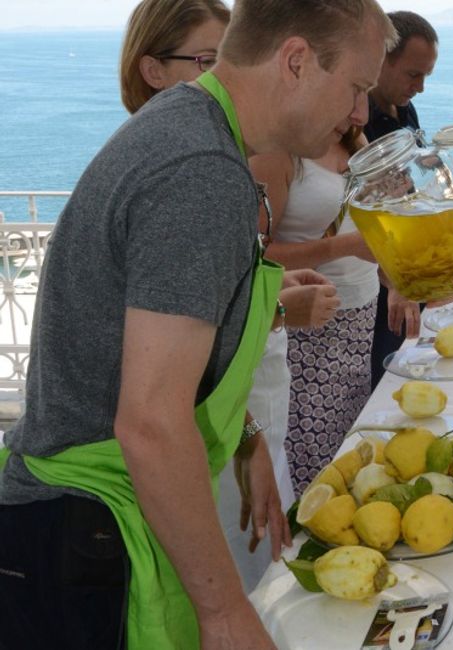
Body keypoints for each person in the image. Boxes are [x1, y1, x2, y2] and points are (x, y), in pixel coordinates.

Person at [0, 2, 395, 648]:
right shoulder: (201, 171)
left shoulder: (197, 136)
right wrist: (224, 611)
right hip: (85, 538)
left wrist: (244, 438)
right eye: (356, 87)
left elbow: (165, 351)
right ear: (295, 60)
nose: (358, 115)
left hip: (88, 525)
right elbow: (151, 422)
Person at [117, 0, 343, 589]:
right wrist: (277, 308)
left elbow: (206, 309)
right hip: (183, 447)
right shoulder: (190, 171)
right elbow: (155, 379)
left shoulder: (207, 160)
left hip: (232, 413)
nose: (223, 76)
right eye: (207, 61)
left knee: (263, 567)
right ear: (152, 71)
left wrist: (247, 437)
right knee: (240, 585)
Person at [250, 128, 421, 497]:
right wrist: (346, 247)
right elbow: (254, 255)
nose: (362, 109)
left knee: (349, 451)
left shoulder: (355, 141)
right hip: (305, 326)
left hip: (358, 322)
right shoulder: (278, 152)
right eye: (355, 89)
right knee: (311, 459)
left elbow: (374, 227)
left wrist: (395, 282)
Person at [365, 10, 439, 391]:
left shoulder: (404, 109)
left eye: (425, 76)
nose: (420, 87)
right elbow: (361, 208)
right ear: (380, 59)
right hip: (377, 277)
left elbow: (416, 173)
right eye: (414, 75)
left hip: (408, 269)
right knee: (381, 378)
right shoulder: (356, 120)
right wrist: (394, 279)